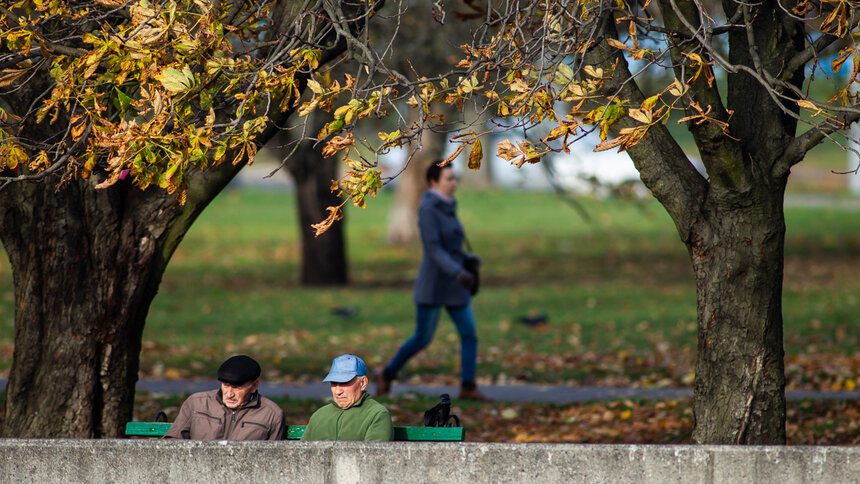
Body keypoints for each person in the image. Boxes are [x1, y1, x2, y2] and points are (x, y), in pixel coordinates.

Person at [375, 162, 491, 401]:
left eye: (454, 178)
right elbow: (434, 250)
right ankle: (386, 373)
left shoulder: (448, 206)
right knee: (422, 338)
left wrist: (468, 259)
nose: (453, 183)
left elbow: (451, 247)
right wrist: (458, 272)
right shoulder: (428, 209)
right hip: (435, 284)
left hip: (456, 285)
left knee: (469, 334)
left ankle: (468, 386)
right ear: (434, 182)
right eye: (448, 179)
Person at [163, 355, 286, 440]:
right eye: (226, 386)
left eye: (237, 388)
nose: (229, 394)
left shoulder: (272, 414)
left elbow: (274, 459)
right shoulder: (197, 403)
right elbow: (171, 443)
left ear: (254, 385)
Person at [302, 354, 394, 441]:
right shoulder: (319, 415)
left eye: (344, 383)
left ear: (363, 383)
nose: (338, 391)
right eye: (333, 383)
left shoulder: (377, 415)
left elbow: (374, 456)